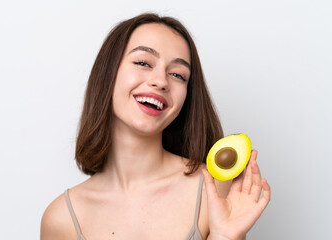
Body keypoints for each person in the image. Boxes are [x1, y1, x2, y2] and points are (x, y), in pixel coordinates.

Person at [40, 13, 270, 240]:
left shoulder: (212, 189)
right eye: (142, 63)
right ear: (108, 73)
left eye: (178, 75)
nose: (161, 81)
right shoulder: (61, 218)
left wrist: (225, 237)